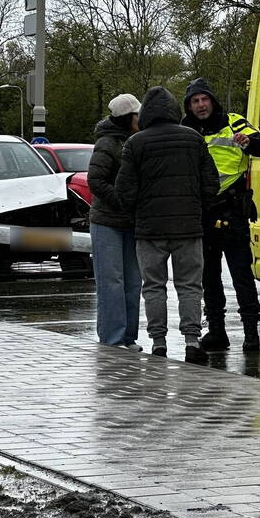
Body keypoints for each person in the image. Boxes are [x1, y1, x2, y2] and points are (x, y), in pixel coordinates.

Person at [115, 86, 219, 363]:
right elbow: (211, 183)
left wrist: (136, 216)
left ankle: (159, 343)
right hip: (188, 228)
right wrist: (199, 210)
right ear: (175, 110)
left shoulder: (135, 143)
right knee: (189, 286)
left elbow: (124, 189)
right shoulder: (193, 139)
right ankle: (192, 341)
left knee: (153, 286)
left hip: (149, 231)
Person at [181, 78, 260, 353]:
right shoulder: (185, 129)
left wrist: (248, 142)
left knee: (241, 273)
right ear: (189, 106)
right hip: (202, 212)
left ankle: (250, 333)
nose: (201, 105)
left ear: (212, 100)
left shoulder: (234, 121)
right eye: (195, 101)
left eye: (204, 99)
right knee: (209, 276)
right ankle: (217, 331)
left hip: (232, 210)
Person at [88, 93, 143, 350]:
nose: (140, 119)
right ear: (126, 118)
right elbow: (95, 180)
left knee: (132, 282)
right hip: (107, 223)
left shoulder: (136, 141)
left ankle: (128, 337)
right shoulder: (107, 143)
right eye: (136, 116)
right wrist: (122, 202)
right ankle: (112, 339)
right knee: (112, 282)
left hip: (130, 223)